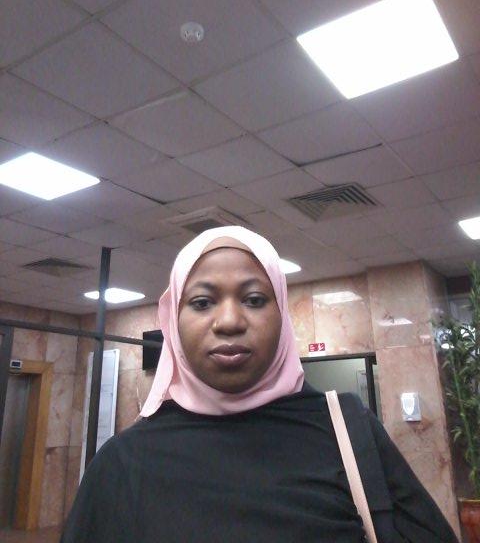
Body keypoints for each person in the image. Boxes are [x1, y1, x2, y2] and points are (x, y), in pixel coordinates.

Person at [61, 226, 459, 543]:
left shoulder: (349, 429)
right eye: (202, 302)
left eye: (253, 299)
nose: (229, 321)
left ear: (282, 314)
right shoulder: (123, 464)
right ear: (173, 322)